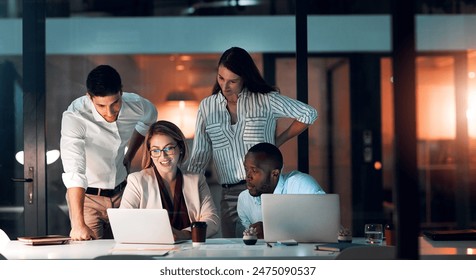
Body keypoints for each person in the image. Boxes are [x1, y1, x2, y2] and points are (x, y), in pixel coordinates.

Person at [187, 46, 318, 237]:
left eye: (233, 81)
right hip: (229, 195)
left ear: (245, 78)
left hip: (266, 192)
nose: (225, 86)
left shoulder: (266, 100)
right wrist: (189, 195)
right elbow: (199, 156)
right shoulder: (207, 107)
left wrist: (276, 143)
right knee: (234, 253)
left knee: (273, 246)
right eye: (221, 78)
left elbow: (308, 114)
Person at [60, 65, 158, 240]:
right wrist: (78, 224)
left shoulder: (136, 105)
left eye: (115, 103)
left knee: (129, 252)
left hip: (122, 194)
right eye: (101, 105)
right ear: (89, 97)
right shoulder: (75, 117)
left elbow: (149, 120)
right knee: (91, 258)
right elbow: (74, 171)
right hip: (87, 198)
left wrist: (130, 156)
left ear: (121, 92)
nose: (109, 112)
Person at [120, 120, 219, 240]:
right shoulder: (137, 181)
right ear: (150, 153)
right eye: (156, 150)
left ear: (180, 148)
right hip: (153, 249)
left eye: (168, 148)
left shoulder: (197, 180)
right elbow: (125, 221)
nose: (163, 156)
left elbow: (212, 220)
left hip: (190, 250)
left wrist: (184, 234)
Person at [237, 142, 325, 239]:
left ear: (275, 173)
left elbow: (326, 223)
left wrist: (272, 229)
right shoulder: (244, 199)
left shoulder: (300, 184)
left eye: (254, 171)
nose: (247, 177)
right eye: (246, 169)